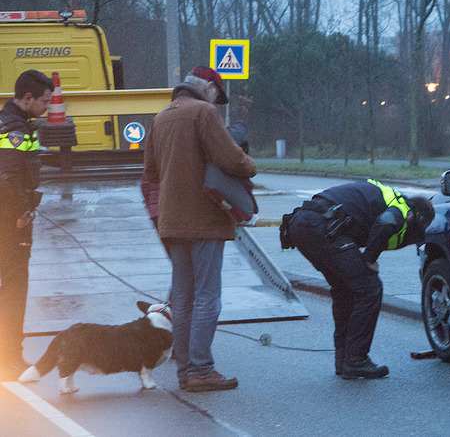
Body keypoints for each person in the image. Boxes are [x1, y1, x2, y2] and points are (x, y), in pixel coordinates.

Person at [143, 66, 256, 392]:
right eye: (215, 95)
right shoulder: (204, 113)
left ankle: (185, 371)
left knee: (182, 297)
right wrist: (251, 164)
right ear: (206, 87)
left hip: (171, 221)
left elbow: (151, 171)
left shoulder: (161, 116)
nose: (216, 102)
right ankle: (201, 370)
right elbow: (232, 160)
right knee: (208, 296)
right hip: (204, 220)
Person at [286, 179, 434, 379]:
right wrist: (369, 260)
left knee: (344, 289)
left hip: (302, 224)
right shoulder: (403, 208)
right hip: (320, 224)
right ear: (420, 218)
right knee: (370, 288)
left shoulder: (385, 201)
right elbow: (386, 224)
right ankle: (356, 359)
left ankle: (344, 360)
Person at [0, 70, 53, 381]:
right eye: (44, 101)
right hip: (11, 219)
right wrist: (22, 210)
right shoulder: (14, 128)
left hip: (10, 214)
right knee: (15, 286)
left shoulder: (16, 124)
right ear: (28, 98)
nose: (48, 106)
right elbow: (6, 175)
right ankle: (10, 359)